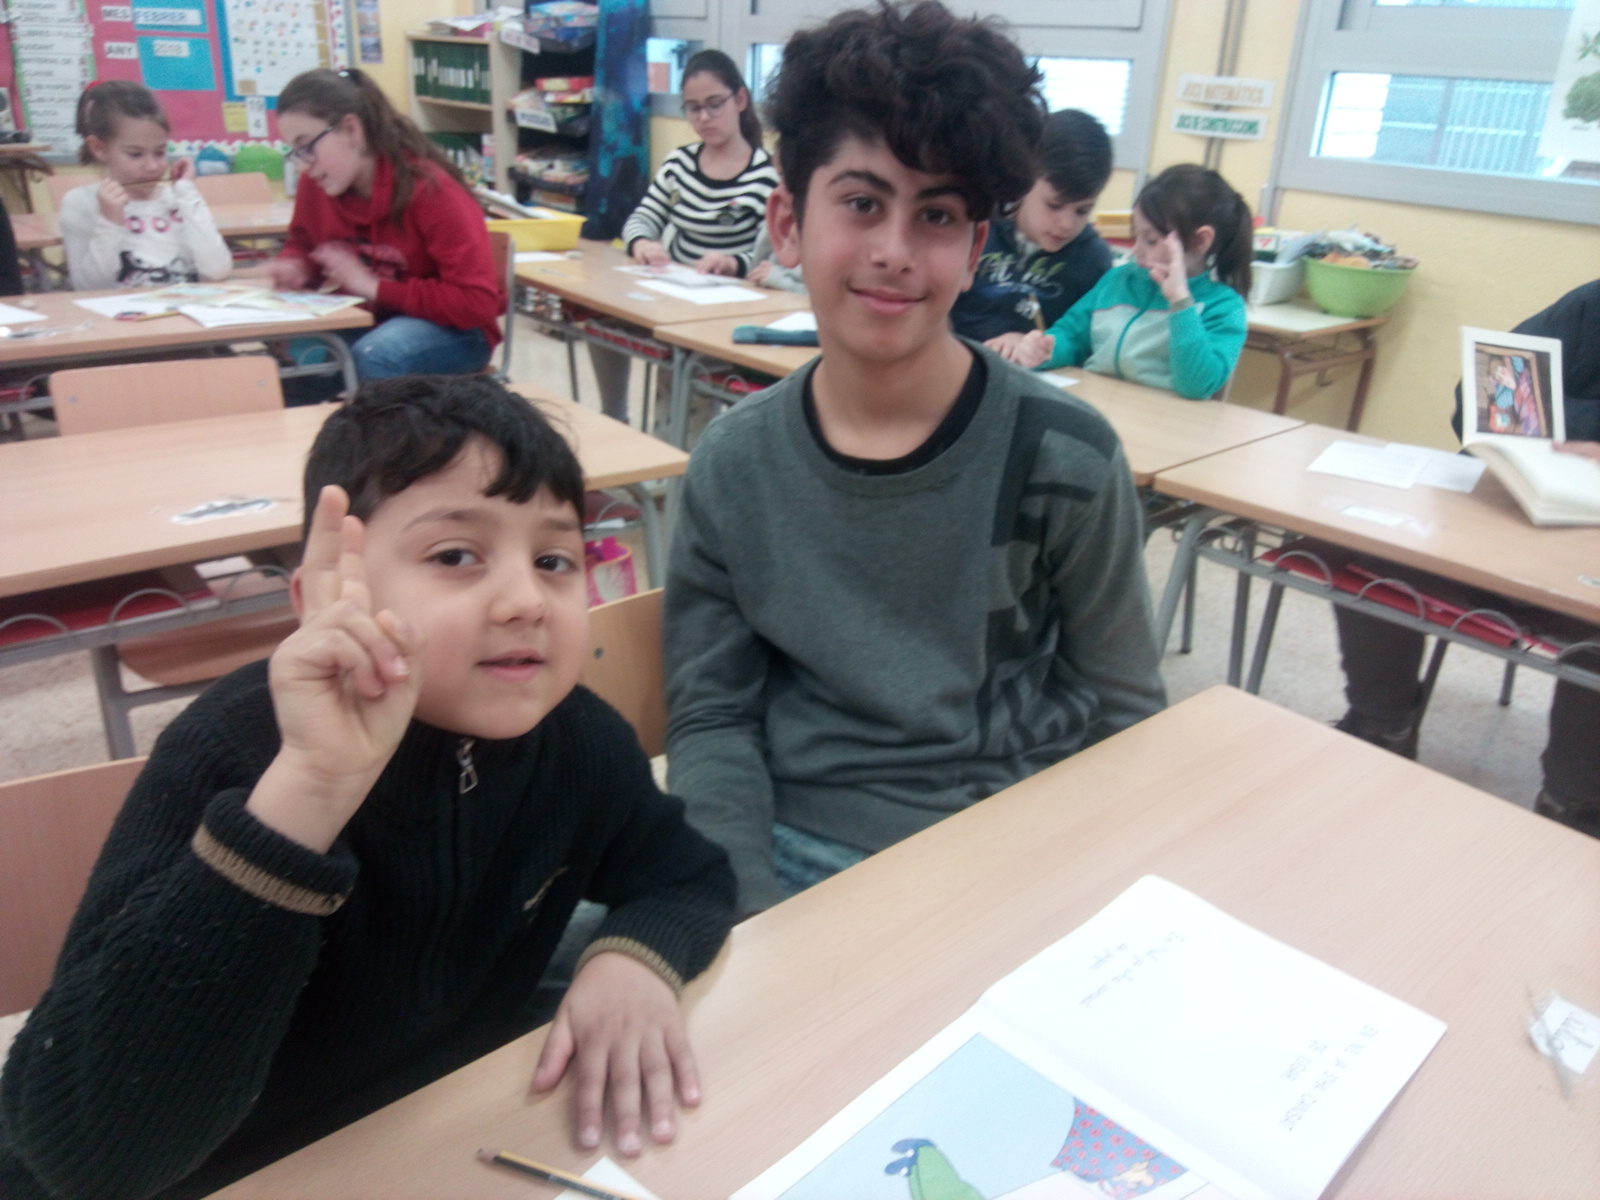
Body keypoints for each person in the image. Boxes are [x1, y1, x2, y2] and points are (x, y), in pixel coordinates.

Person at [0, 376, 736, 1199]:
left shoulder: (580, 743)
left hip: (433, 1136)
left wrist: (632, 961)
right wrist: (309, 791)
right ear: (323, 597)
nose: (527, 600)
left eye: (554, 560)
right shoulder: (232, 753)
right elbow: (90, 1158)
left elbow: (689, 876)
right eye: (455, 556)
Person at [663, 0, 1167, 916]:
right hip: (790, 845)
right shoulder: (733, 466)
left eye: (936, 215)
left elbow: (1124, 713)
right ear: (788, 223)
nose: (894, 252)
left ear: (975, 251)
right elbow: (714, 718)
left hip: (1004, 856)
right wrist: (739, 921)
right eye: (862, 203)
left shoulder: (1067, 456)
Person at [1334, 277, 1600, 838]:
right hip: (1512, 512)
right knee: (1373, 544)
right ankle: (1382, 726)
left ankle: (1573, 804)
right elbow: (1486, 391)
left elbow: (1524, 406)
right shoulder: (1592, 306)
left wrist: (1555, 416)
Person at [266, 68, 504, 386]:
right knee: (296, 356)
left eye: (307, 147)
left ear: (351, 131)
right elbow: (306, 245)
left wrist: (375, 287)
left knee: (377, 355)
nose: (303, 167)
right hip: (372, 319)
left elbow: (476, 303)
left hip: (457, 330)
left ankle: (386, 422)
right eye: (294, 153)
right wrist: (296, 266)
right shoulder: (319, 184)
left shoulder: (433, 191)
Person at [595, 51, 780, 422]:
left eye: (714, 105)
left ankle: (680, 451)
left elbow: (770, 257)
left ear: (740, 100)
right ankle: (614, 418)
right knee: (601, 318)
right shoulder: (679, 163)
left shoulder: (766, 175)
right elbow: (642, 218)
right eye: (693, 109)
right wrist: (642, 243)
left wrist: (733, 263)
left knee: (686, 362)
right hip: (675, 295)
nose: (704, 118)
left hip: (729, 308)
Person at [1013, 164, 1252, 400]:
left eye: (1151, 240)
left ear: (1200, 241)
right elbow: (1072, 334)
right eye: (1136, 235)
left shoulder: (1224, 307)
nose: (1136, 250)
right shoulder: (1119, 281)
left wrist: (1180, 303)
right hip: (1099, 406)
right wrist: (1045, 350)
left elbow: (1196, 385)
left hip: (1164, 418)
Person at [950, 108, 1113, 359]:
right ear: (1023, 182)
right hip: (958, 361)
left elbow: (1084, 342)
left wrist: (1032, 346)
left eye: (1083, 211)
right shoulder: (978, 226)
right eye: (1054, 206)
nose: (1066, 224)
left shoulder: (1093, 259)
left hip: (1036, 375)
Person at [59, 81, 231, 290]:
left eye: (160, 152)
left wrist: (188, 194)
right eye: (135, 154)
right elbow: (89, 289)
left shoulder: (179, 198)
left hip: (185, 307)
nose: (152, 166)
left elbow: (218, 271)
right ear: (99, 148)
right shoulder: (80, 202)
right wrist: (110, 222)